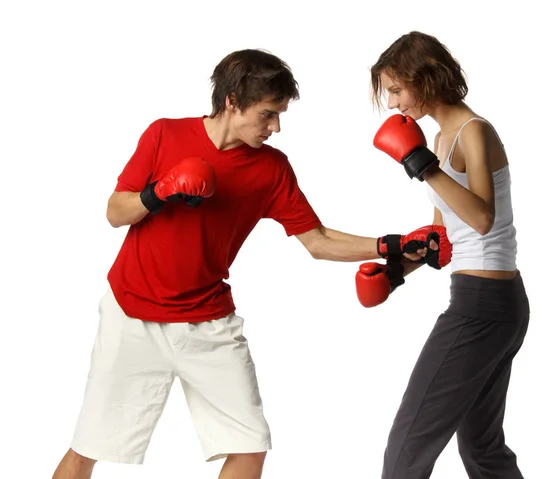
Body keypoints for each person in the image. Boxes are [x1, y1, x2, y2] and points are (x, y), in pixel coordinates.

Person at [51, 48, 451, 479]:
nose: (276, 127)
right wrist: (158, 193)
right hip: (131, 314)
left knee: (249, 447)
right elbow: (115, 212)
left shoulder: (271, 169)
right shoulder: (164, 134)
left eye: (280, 115)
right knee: (87, 448)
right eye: (267, 114)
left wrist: (390, 244)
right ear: (232, 101)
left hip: (207, 320)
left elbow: (316, 240)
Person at [363, 31, 531, 478]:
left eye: (398, 90)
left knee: (407, 446)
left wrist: (421, 166)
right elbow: (444, 239)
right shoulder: (441, 140)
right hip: (494, 302)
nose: (395, 104)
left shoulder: (474, 132)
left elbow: (481, 218)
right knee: (482, 446)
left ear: (426, 77)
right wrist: (396, 272)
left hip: (483, 305)